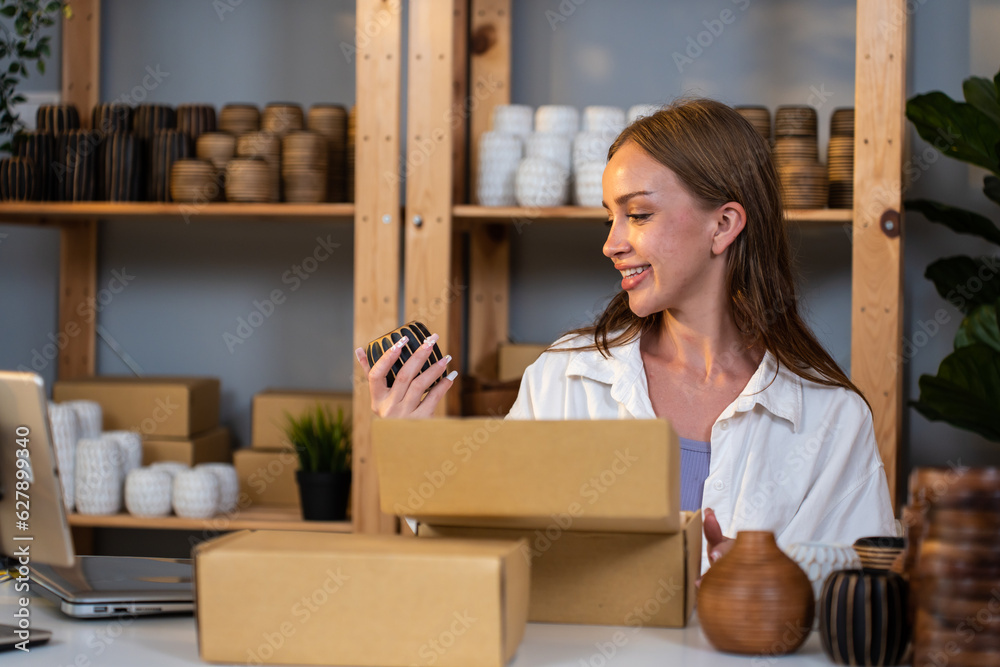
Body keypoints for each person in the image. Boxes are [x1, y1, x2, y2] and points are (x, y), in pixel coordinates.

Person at [355, 98, 896, 573]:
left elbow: (863, 590)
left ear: (724, 225)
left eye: (638, 214)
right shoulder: (563, 379)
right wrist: (415, 454)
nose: (612, 244)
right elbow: (492, 564)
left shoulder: (831, 419)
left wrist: (768, 576)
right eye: (609, 219)